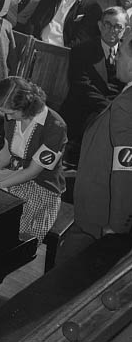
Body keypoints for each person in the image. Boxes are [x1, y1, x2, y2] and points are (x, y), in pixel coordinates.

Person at [60, 26, 132, 261]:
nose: (117, 59)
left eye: (120, 54)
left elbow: (125, 168)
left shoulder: (124, 105)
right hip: (102, 203)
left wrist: (117, 224)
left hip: (100, 210)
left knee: (66, 275)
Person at [0, 77, 67, 243]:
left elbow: (33, 171)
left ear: (27, 107)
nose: (8, 118)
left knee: (10, 226)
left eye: (11, 113)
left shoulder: (55, 126)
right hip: (15, 175)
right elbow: (7, 150)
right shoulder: (11, 116)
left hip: (42, 187)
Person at [60, 6, 127, 165]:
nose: (112, 30)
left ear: (126, 29)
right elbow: (82, 86)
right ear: (99, 25)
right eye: (107, 24)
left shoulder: (128, 53)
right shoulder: (81, 50)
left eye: (118, 26)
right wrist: (109, 108)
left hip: (117, 109)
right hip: (85, 107)